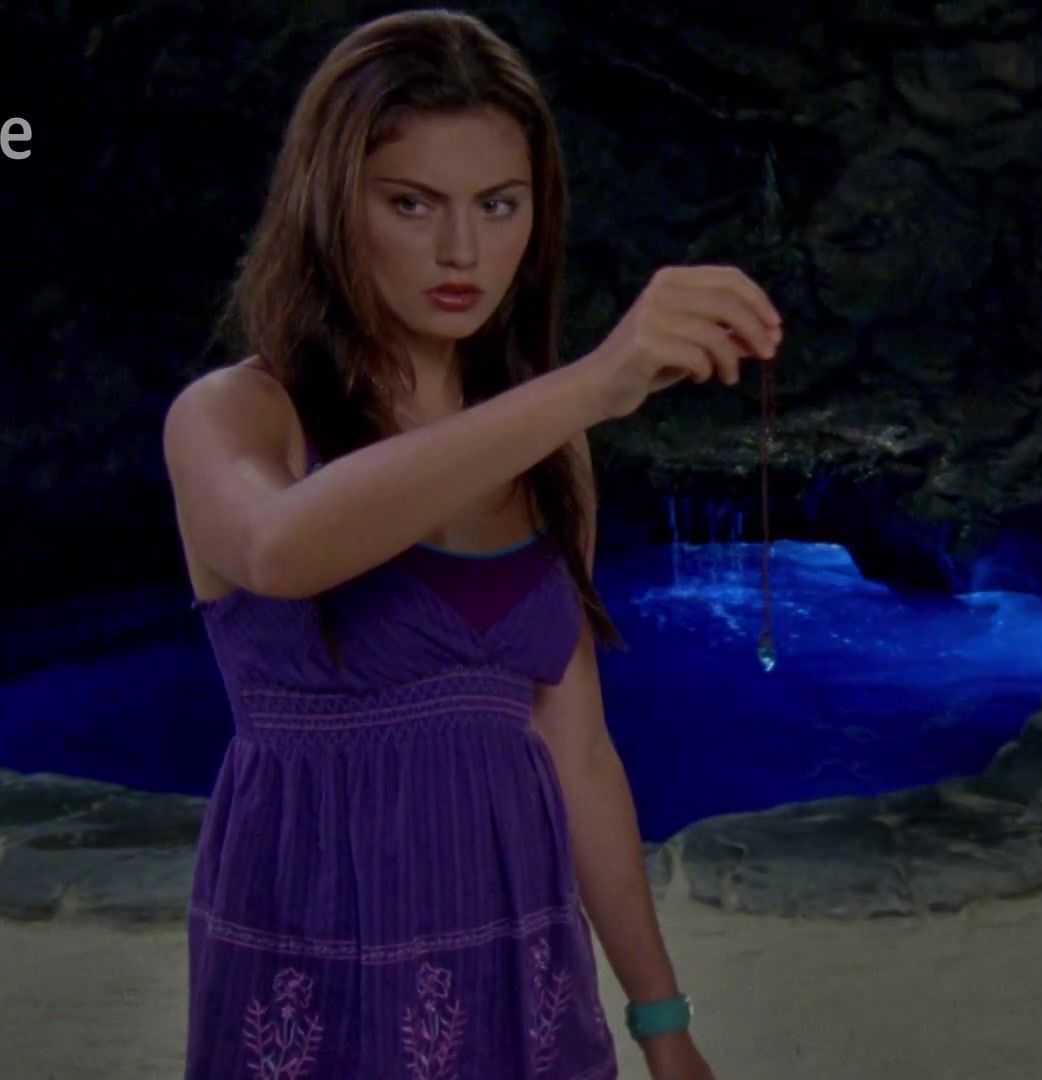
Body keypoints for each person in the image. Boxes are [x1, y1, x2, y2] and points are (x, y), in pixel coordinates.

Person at [161, 10, 781, 1077]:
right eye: (411, 203)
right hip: (316, 940)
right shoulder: (235, 414)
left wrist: (663, 1021)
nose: (463, 252)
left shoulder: (550, 448)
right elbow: (278, 550)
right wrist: (591, 382)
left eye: (499, 205)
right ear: (330, 204)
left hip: (516, 956)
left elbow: (578, 753)